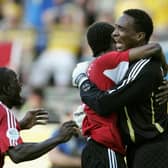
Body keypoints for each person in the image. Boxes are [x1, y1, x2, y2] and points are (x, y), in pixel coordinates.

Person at [72, 9, 168, 168]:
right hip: (134, 147)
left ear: (139, 36)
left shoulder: (145, 67)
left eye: (121, 29)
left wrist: (83, 83)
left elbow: (104, 103)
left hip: (152, 147)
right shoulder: (125, 65)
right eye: (115, 28)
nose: (114, 34)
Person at [0, 67, 79, 168]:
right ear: (6, 89)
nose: (20, 85)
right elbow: (17, 154)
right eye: (16, 81)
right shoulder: (4, 112)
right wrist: (58, 138)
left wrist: (19, 126)